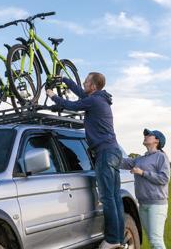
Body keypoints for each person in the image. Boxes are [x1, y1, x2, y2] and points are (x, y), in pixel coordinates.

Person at [46, 73, 124, 249]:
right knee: (115, 198)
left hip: (105, 153)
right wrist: (64, 80)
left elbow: (72, 105)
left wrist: (53, 96)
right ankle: (118, 238)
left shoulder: (94, 101)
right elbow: (80, 92)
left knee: (108, 198)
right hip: (112, 152)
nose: (83, 83)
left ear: (94, 86)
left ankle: (112, 240)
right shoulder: (97, 99)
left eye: (87, 81)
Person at [121, 129, 171, 249]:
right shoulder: (140, 159)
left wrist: (142, 173)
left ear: (156, 141)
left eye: (149, 135)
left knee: (156, 240)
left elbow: (164, 178)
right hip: (143, 204)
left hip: (157, 205)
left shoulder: (161, 157)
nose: (146, 136)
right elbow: (123, 163)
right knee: (152, 239)